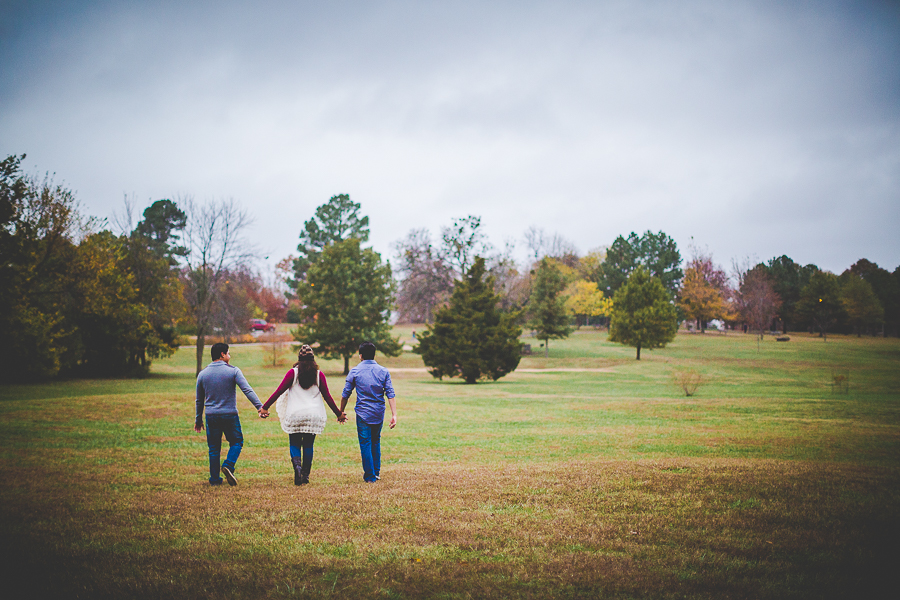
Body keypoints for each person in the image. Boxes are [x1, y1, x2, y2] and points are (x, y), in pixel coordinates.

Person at [261, 345, 346, 485]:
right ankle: (305, 475)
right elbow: (328, 397)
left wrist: (265, 407)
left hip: (295, 414)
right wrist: (339, 414)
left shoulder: (293, 373)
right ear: (313, 359)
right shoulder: (319, 375)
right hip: (313, 415)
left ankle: (297, 468)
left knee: (294, 443)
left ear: (299, 358)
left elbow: (279, 391)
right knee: (308, 445)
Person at [194, 342, 267, 486]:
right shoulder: (233, 371)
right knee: (237, 441)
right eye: (228, 353)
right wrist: (260, 407)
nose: (229, 355)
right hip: (230, 415)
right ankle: (228, 464)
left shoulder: (202, 374)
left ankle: (215, 479)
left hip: (211, 416)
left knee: (214, 448)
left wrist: (198, 419)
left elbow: (199, 400)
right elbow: (247, 390)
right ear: (222, 354)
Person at [340, 341, 397, 483]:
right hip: (378, 412)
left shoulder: (355, 371)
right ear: (374, 355)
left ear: (360, 356)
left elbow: (346, 393)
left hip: (363, 413)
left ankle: (370, 476)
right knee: (375, 441)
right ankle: (376, 472)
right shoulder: (383, 371)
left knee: (365, 443)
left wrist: (340, 411)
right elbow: (390, 393)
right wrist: (394, 414)